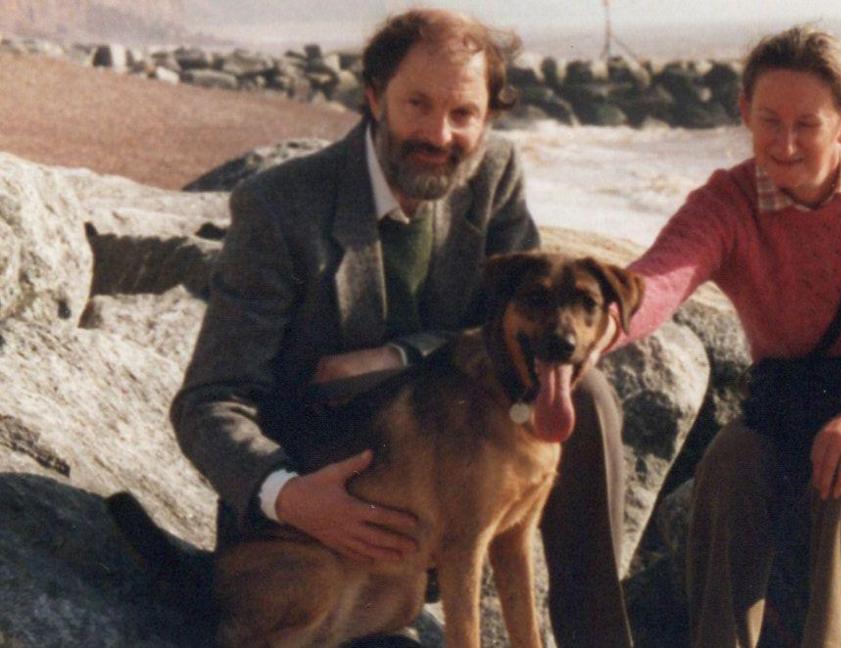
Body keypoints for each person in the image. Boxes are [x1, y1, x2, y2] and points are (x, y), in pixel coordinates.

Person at [171, 10, 632, 647]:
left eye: (464, 113)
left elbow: (523, 328)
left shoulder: (492, 176)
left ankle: (596, 638)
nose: (440, 133)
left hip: (451, 513)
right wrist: (288, 495)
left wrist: (398, 354)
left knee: (588, 395)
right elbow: (208, 402)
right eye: (417, 103)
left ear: (489, 118)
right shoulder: (281, 208)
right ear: (373, 98)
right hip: (315, 527)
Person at [606, 26, 841, 648]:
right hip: (797, 400)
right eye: (768, 121)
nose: (784, 144)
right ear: (743, 114)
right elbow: (659, 280)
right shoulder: (727, 202)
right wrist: (588, 327)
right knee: (728, 464)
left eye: (807, 124)